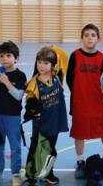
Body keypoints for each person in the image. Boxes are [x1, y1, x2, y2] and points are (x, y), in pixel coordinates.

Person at [66, 24, 103, 179]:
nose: (89, 38)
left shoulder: (101, 58)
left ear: (98, 39)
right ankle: (80, 161)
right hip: (80, 102)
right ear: (82, 38)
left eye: (93, 35)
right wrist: (79, 92)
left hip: (97, 101)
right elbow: (69, 78)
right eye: (86, 35)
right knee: (79, 132)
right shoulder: (75, 55)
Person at [21, 46, 69, 186]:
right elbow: (30, 103)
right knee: (36, 150)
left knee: (51, 150)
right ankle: (31, 175)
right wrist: (33, 110)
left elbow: (63, 55)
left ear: (53, 65)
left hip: (54, 122)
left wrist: (51, 48)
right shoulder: (34, 83)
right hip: (41, 125)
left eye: (45, 63)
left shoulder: (56, 78)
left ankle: (48, 172)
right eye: (39, 62)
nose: (41, 66)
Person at [0, 41, 27, 186]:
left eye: (8, 55)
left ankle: (15, 174)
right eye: (1, 56)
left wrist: (7, 82)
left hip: (13, 117)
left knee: (15, 147)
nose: (5, 59)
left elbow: (19, 96)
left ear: (16, 58)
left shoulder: (20, 76)